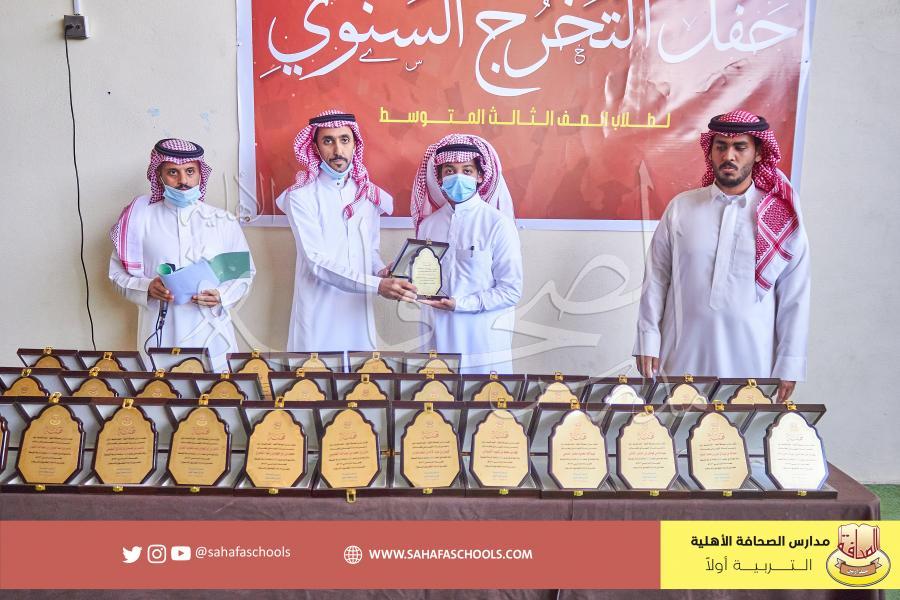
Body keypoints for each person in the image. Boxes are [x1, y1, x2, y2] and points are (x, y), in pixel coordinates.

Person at [633, 110, 810, 401]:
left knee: (741, 428)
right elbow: (656, 279)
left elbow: (794, 296)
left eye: (740, 147)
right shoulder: (681, 208)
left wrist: (789, 363)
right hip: (681, 354)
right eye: (721, 147)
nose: (729, 156)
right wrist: (647, 340)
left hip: (752, 359)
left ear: (758, 153)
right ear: (710, 151)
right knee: (676, 427)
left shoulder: (780, 217)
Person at [109, 138, 255, 371]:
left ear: (200, 174)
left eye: (189, 171)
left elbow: (243, 275)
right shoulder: (138, 221)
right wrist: (146, 287)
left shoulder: (222, 221)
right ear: (159, 175)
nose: (183, 181)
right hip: (161, 333)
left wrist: (222, 296)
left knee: (218, 391)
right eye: (172, 172)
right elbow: (116, 276)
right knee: (161, 391)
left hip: (212, 334)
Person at [276, 110, 417, 352]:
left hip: (357, 309)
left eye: (344, 140)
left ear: (355, 144)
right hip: (319, 310)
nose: (337, 150)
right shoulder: (300, 197)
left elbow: (369, 250)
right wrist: (377, 285)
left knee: (360, 374)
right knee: (314, 374)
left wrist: (381, 271)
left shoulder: (368, 194)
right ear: (315, 147)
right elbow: (316, 262)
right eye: (328, 141)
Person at [411, 134, 523, 373]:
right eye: (450, 171)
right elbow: (424, 282)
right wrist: (401, 275)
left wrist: (460, 304)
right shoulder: (428, 226)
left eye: (467, 170)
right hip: (437, 335)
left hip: (482, 340)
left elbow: (511, 291)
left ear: (480, 176)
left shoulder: (497, 224)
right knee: (436, 394)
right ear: (440, 178)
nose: (458, 177)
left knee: (484, 396)